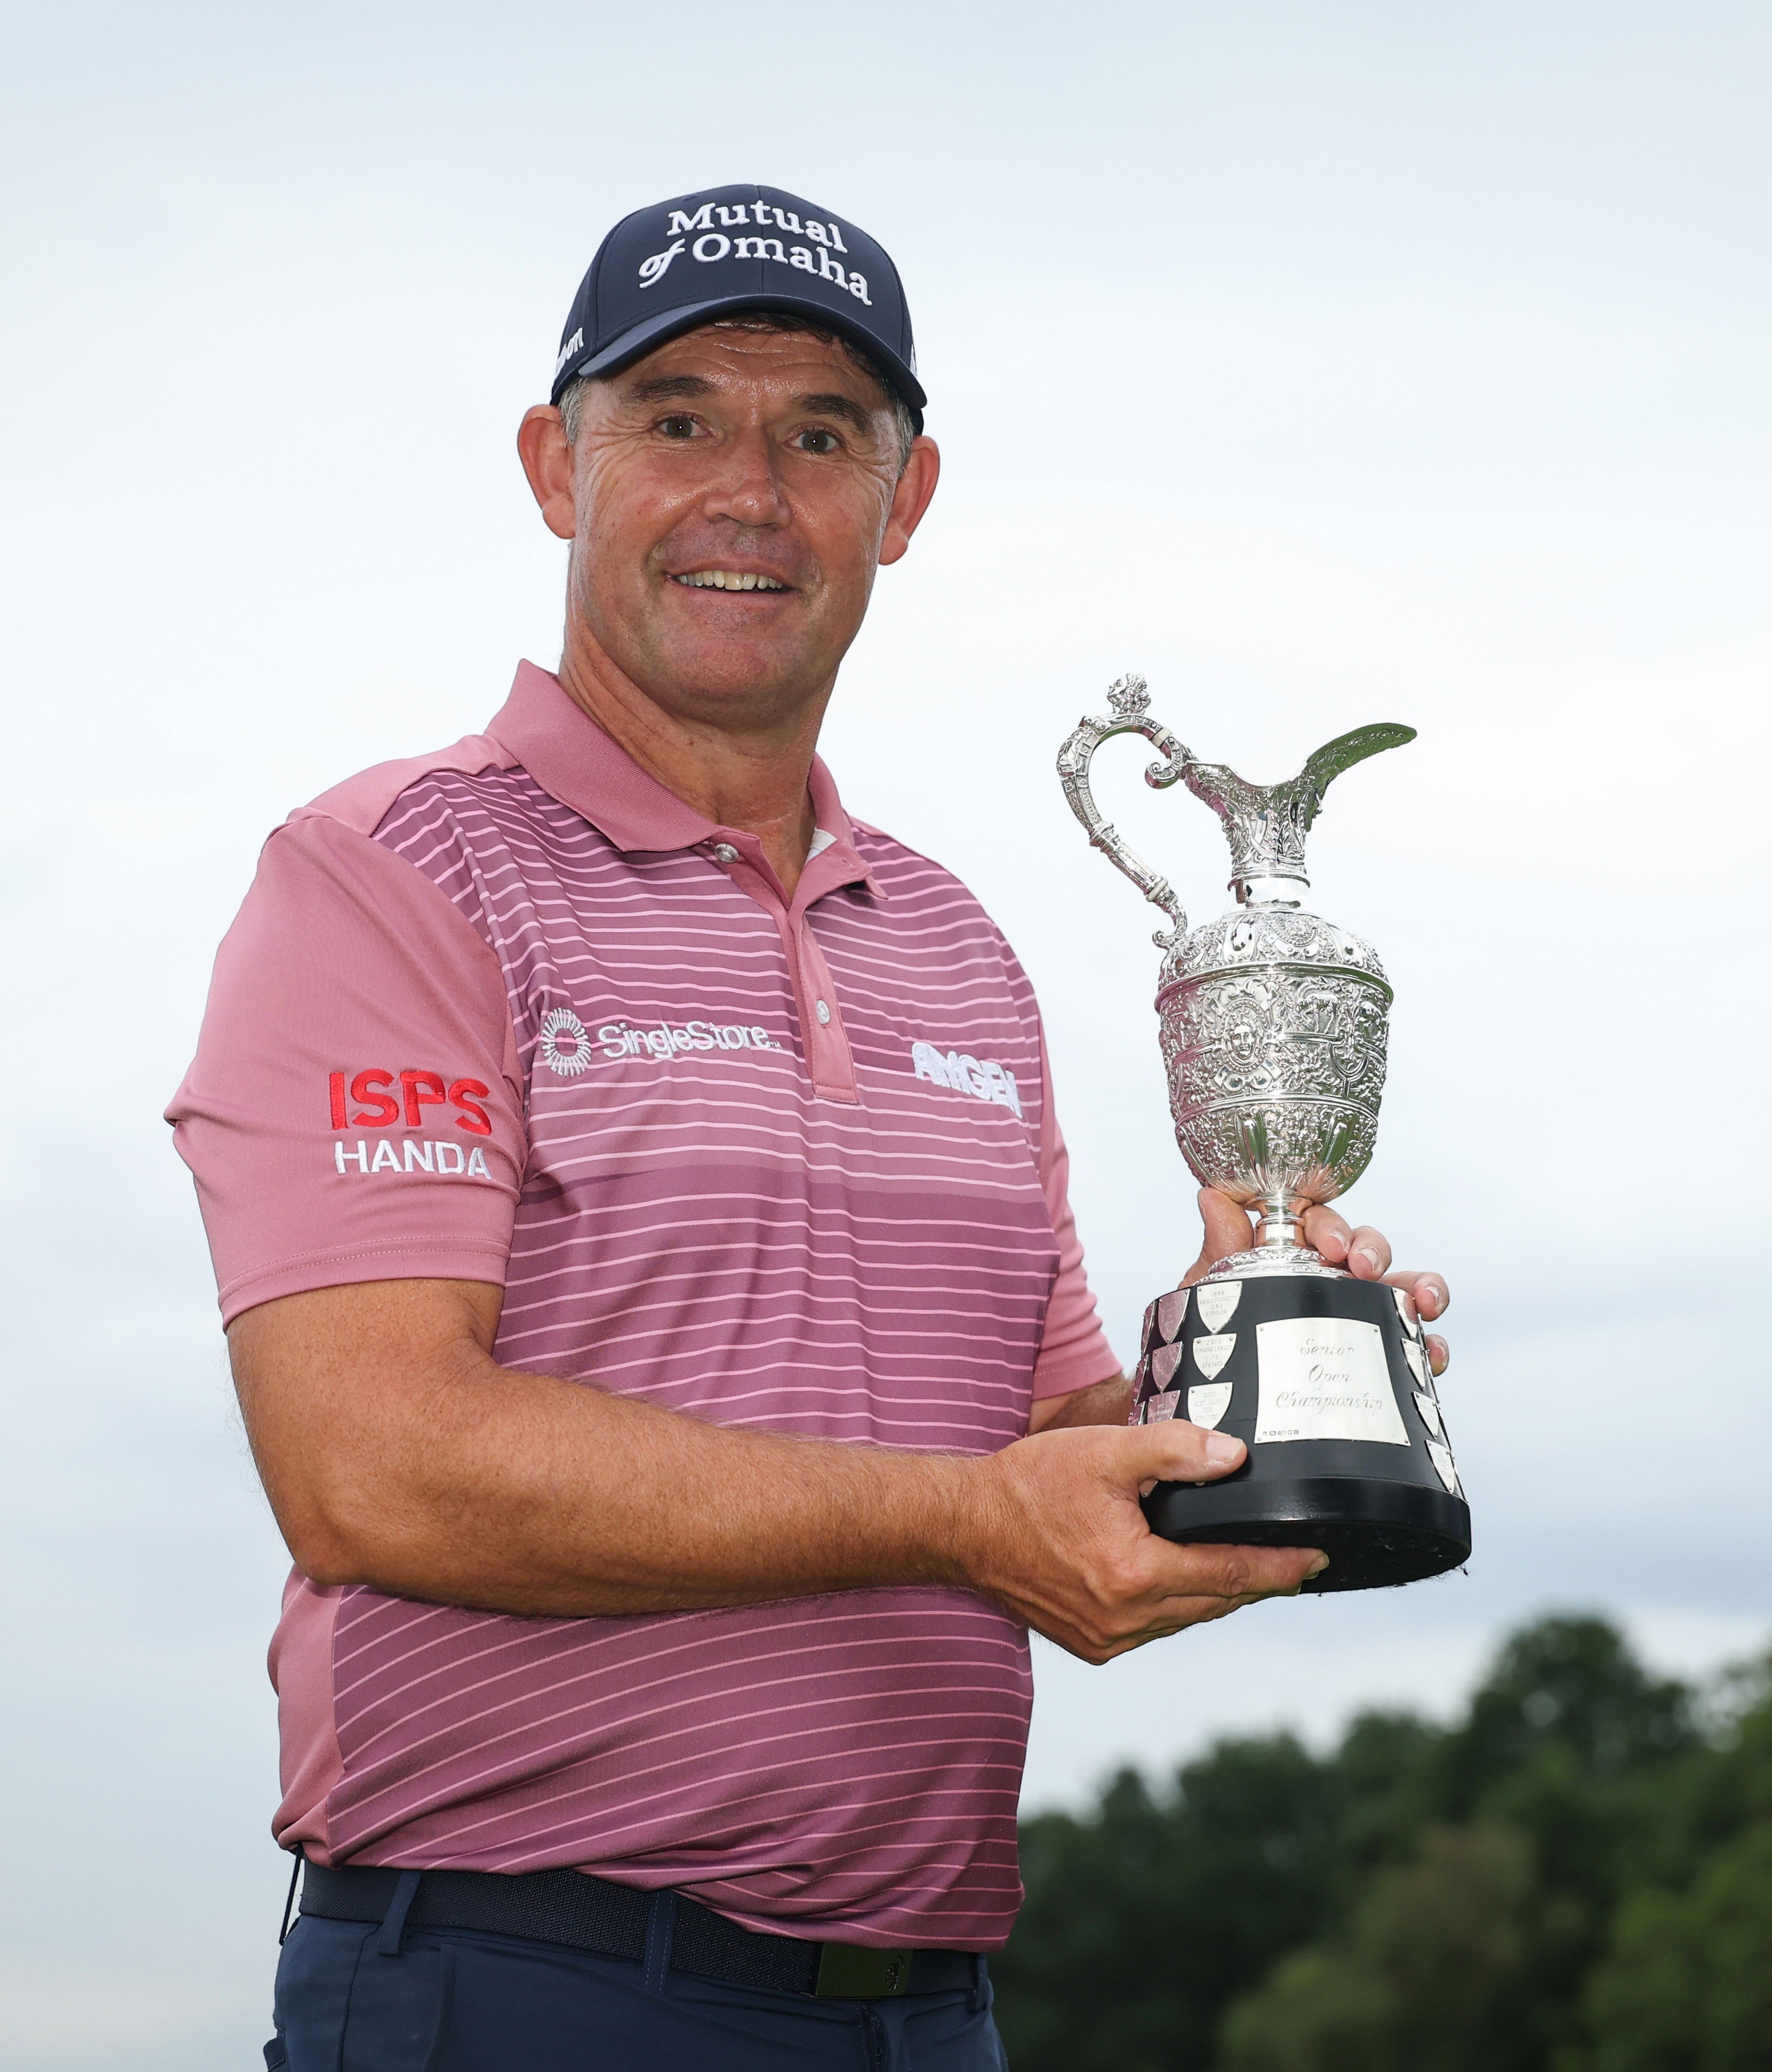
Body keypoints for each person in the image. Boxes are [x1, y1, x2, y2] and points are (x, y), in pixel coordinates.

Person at [167, 183, 1451, 2071]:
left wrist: (1242, 1360)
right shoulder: (389, 878)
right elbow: (375, 1464)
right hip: (523, 1981)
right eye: (676, 418)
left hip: (927, 2011)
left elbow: (1033, 1458)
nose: (749, 489)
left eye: (822, 434)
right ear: (556, 466)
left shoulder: (955, 947)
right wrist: (963, 1520)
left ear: (905, 501)